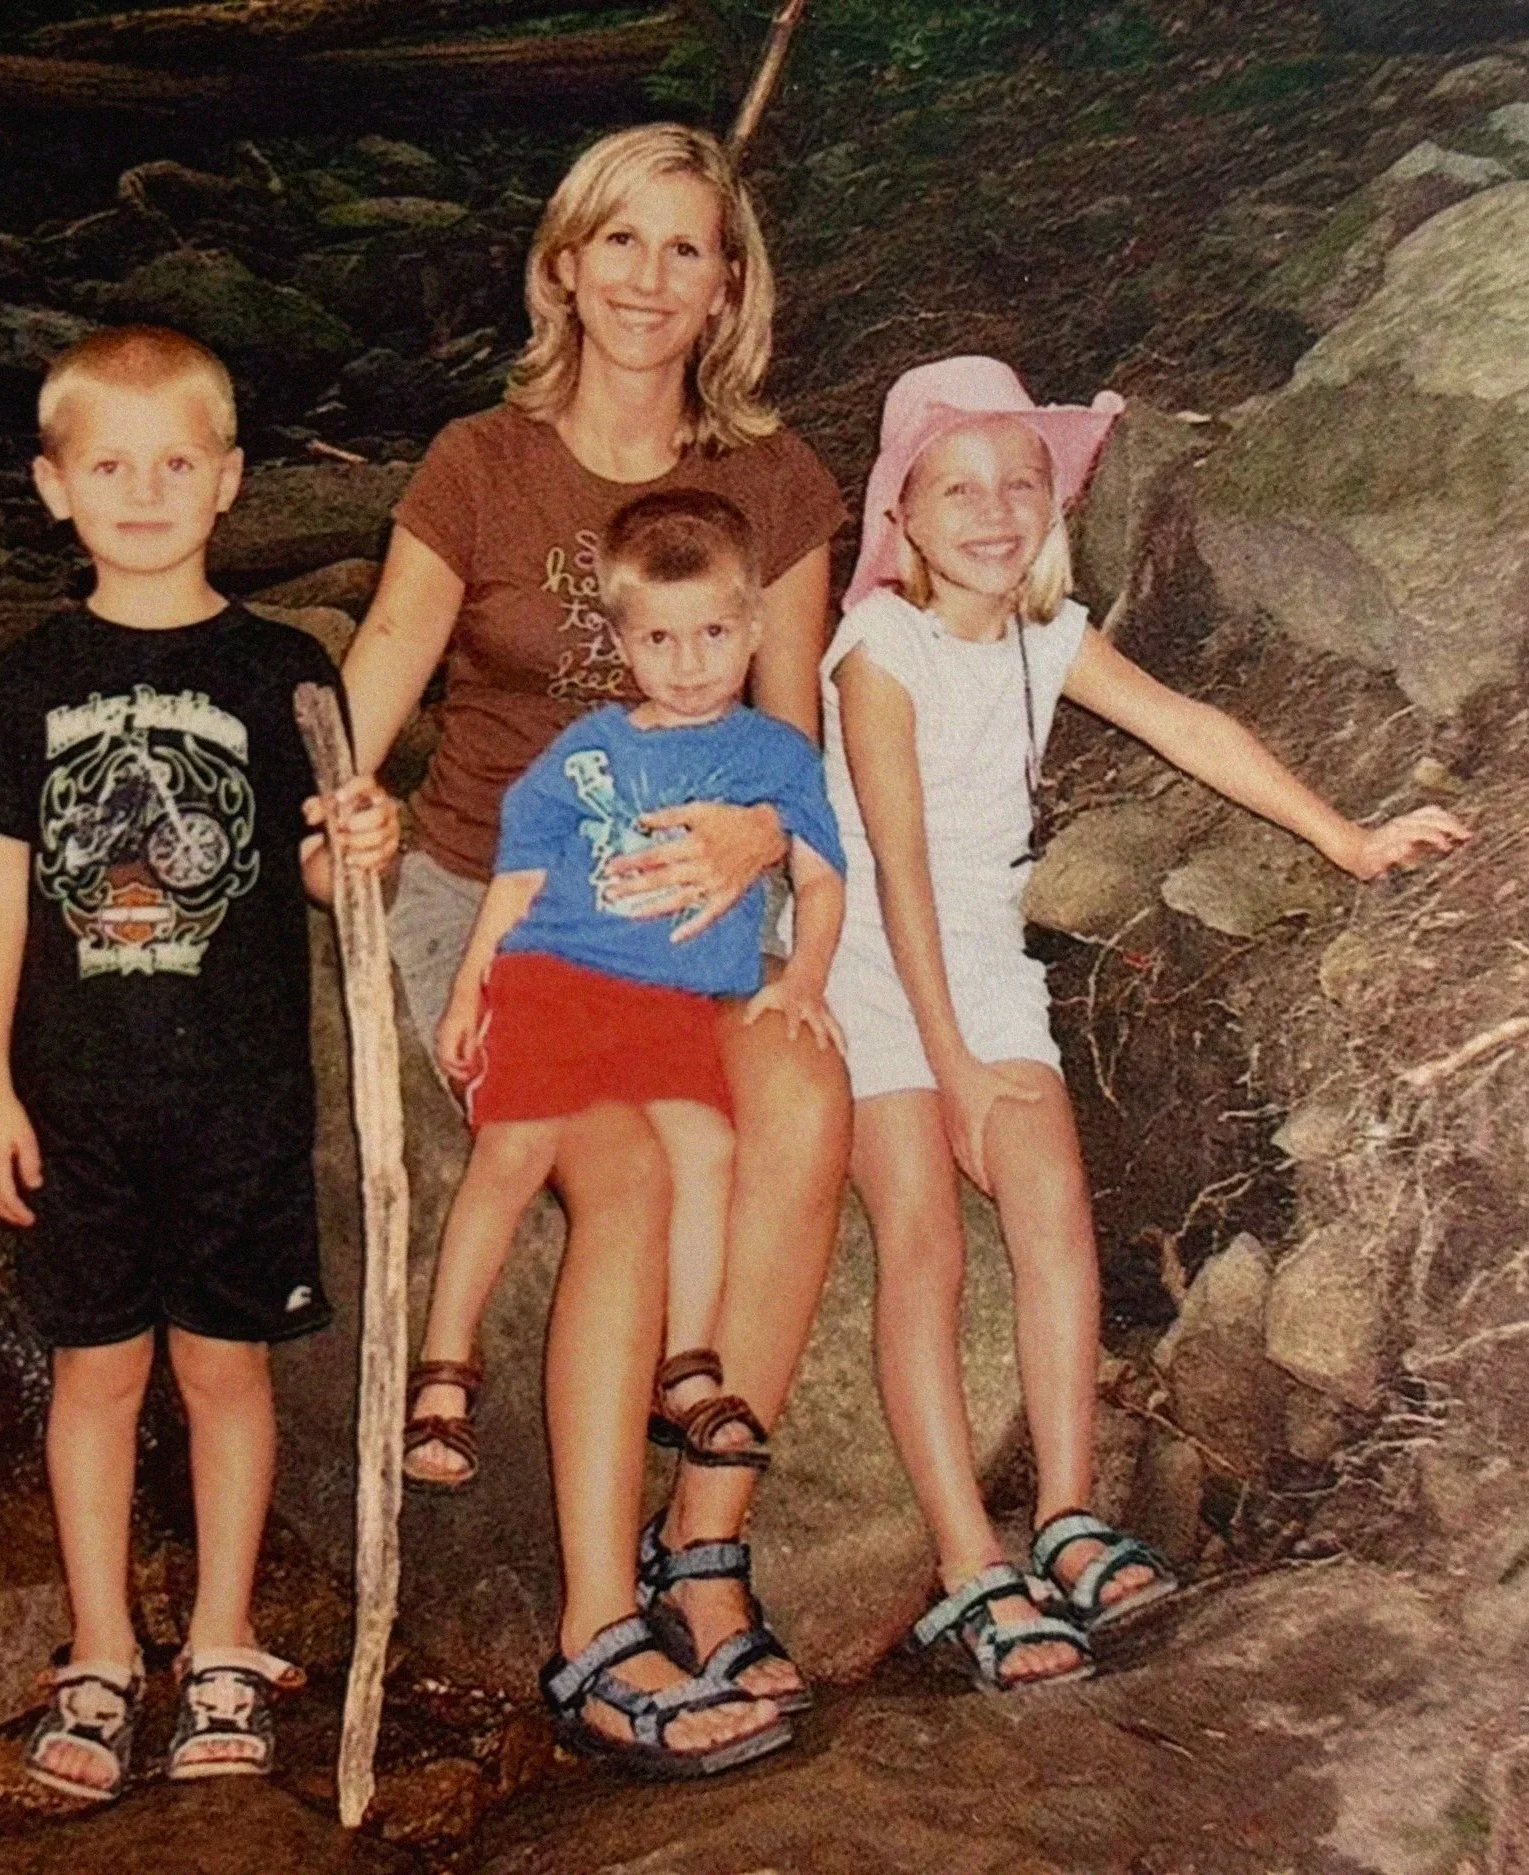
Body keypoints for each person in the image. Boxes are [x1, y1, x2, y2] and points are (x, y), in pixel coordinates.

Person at [821, 355, 1471, 1691]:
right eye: (959, 488)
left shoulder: (1044, 635)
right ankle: (967, 1562)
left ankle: (1067, 1515)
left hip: (982, 953)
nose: (995, 512)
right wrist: (952, 1067)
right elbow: (893, 871)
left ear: (1057, 503)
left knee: (1054, 1205)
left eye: (1021, 483)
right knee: (925, 1240)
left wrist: (1347, 839)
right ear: (903, 512)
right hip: (876, 964)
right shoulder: (878, 651)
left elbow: (1190, 725)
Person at [344, 122, 852, 1768]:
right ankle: (592, 1632)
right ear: (563, 264)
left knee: (803, 1101)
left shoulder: (777, 483)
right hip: (499, 894)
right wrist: (333, 808)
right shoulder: (478, 462)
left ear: (727, 286)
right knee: (625, 1164)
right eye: (619, 240)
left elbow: (798, 731)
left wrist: (764, 839)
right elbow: (382, 667)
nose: (648, 278)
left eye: (685, 246)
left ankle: (705, 1545)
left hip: (703, 904)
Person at [0, 326, 397, 1801]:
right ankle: (98, 1649)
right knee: (95, 1372)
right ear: (53, 486)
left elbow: (317, 877)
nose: (144, 492)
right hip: (76, 1103)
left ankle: (220, 1642)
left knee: (225, 1368)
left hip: (239, 1099)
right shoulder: (22, 682)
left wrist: (361, 846)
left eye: (176, 463)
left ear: (231, 480)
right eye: (111, 466)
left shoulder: (285, 672)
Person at [406, 491, 844, 1534]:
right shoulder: (585, 752)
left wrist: (804, 977)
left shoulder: (780, 758)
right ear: (619, 642)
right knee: (512, 1152)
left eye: (713, 634)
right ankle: (442, 1370)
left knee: (707, 1148)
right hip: (553, 977)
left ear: (756, 627)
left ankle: (688, 1365)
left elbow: (823, 878)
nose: (688, 663)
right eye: (658, 639)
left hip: (672, 1006)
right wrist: (470, 986)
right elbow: (517, 876)